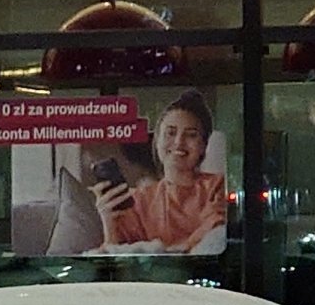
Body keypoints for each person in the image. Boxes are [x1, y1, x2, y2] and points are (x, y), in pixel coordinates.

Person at [91, 89, 226, 255]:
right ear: (157, 142)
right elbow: (116, 257)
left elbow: (216, 230)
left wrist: (174, 251)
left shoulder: (216, 185)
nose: (178, 142)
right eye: (170, 133)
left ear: (203, 146)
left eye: (191, 135)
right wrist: (108, 222)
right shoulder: (139, 200)